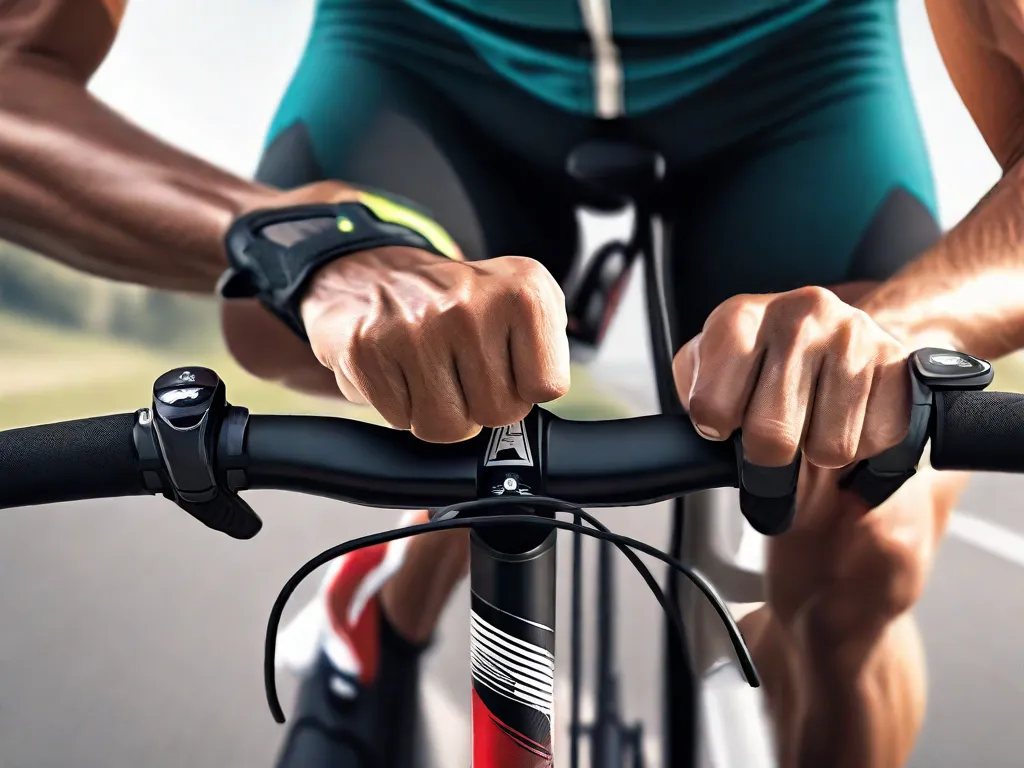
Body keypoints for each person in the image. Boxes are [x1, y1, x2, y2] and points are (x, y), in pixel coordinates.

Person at [2, 0, 1024, 766]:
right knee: (372, 358)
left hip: (796, 82)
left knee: (866, 543)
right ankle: (385, 613)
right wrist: (315, 247)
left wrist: (901, 325)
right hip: (426, 56)